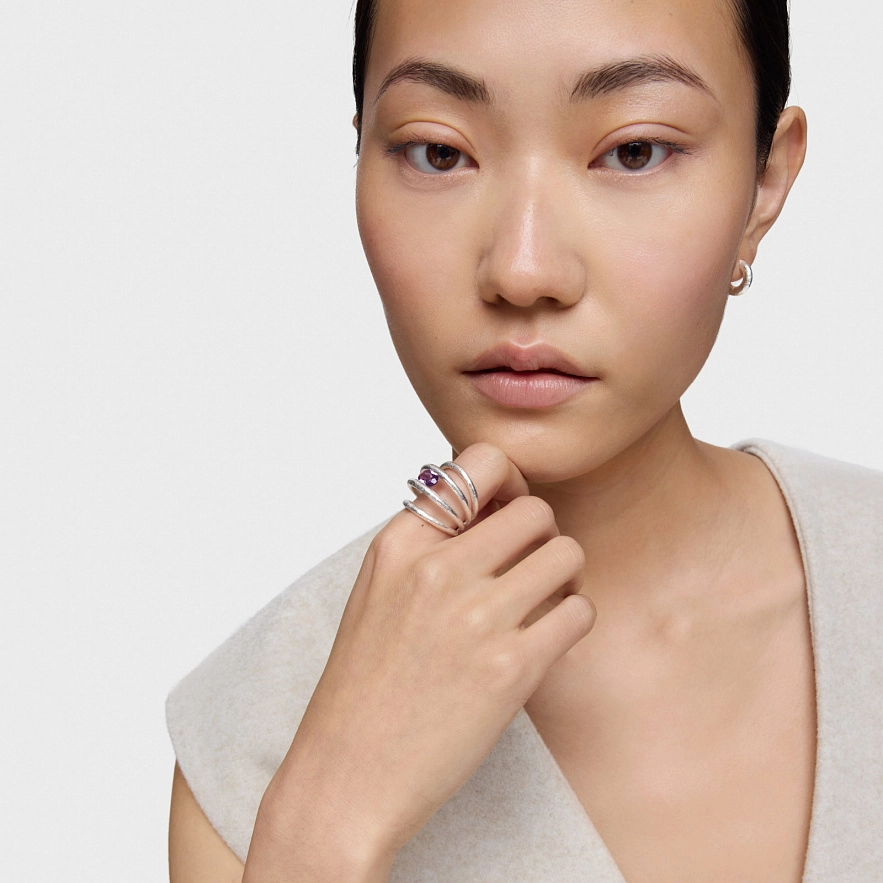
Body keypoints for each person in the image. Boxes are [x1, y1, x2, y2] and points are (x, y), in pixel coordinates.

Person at [166, 0, 883, 880]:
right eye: (437, 152)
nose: (522, 269)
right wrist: (328, 818)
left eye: (633, 151)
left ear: (763, 182)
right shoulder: (254, 743)